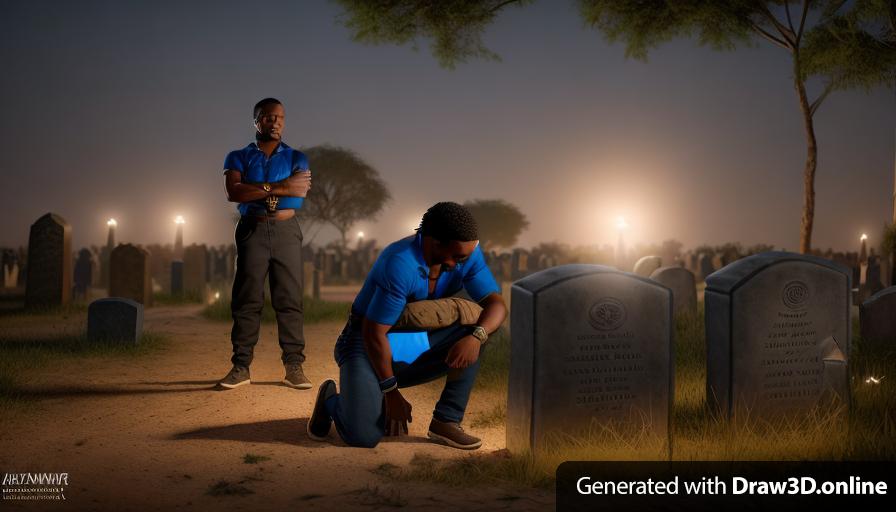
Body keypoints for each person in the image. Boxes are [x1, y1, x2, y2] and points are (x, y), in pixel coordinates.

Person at [307, 202, 508, 449]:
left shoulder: (466, 255)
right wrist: (391, 393)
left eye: (465, 256)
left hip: (404, 343)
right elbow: (373, 333)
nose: (460, 264)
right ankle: (330, 400)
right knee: (364, 436)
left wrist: (477, 337)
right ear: (435, 242)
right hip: (365, 343)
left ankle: (446, 420)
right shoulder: (399, 263)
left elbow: (496, 305)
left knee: (479, 327)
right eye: (456, 256)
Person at [217, 97, 313, 390]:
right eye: (269, 117)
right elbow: (234, 193)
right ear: (256, 120)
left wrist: (255, 188)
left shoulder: (297, 156)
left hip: (286, 229)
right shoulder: (237, 156)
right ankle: (241, 366)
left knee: (289, 299)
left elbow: (298, 194)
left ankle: (294, 366)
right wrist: (277, 187)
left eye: (280, 117)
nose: (276, 122)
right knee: (247, 299)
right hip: (252, 229)